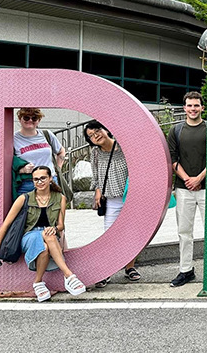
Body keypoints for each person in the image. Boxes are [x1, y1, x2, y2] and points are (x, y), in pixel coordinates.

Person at [0, 166, 86, 302]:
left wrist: (55, 229)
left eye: (43, 178)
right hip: (28, 236)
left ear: (50, 179)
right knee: (45, 235)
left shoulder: (60, 198)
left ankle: (38, 282)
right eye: (36, 179)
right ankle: (68, 276)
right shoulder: (24, 198)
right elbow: (5, 226)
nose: (39, 182)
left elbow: (61, 225)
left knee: (46, 243)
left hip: (49, 236)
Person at [86, 120, 140, 287]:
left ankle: (130, 268)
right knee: (109, 235)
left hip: (130, 197)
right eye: (91, 136)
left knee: (131, 234)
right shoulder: (95, 152)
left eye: (97, 131)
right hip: (111, 200)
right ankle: (106, 271)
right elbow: (95, 175)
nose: (96, 136)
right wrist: (97, 190)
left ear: (105, 129)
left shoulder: (124, 147)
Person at [168, 91, 207, 287]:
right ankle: (186, 270)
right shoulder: (176, 130)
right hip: (184, 189)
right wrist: (188, 180)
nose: (193, 109)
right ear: (184, 108)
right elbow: (172, 159)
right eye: (189, 106)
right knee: (184, 232)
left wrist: (199, 178)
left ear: (202, 107)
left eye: (196, 105)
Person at [12, 108, 66, 197]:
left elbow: (61, 151)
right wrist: (22, 170)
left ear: (39, 120)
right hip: (28, 183)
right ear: (19, 119)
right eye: (26, 118)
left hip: (50, 181)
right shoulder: (13, 139)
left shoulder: (46, 134)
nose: (30, 120)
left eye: (34, 118)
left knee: (52, 210)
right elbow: (8, 162)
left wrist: (57, 169)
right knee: (26, 210)